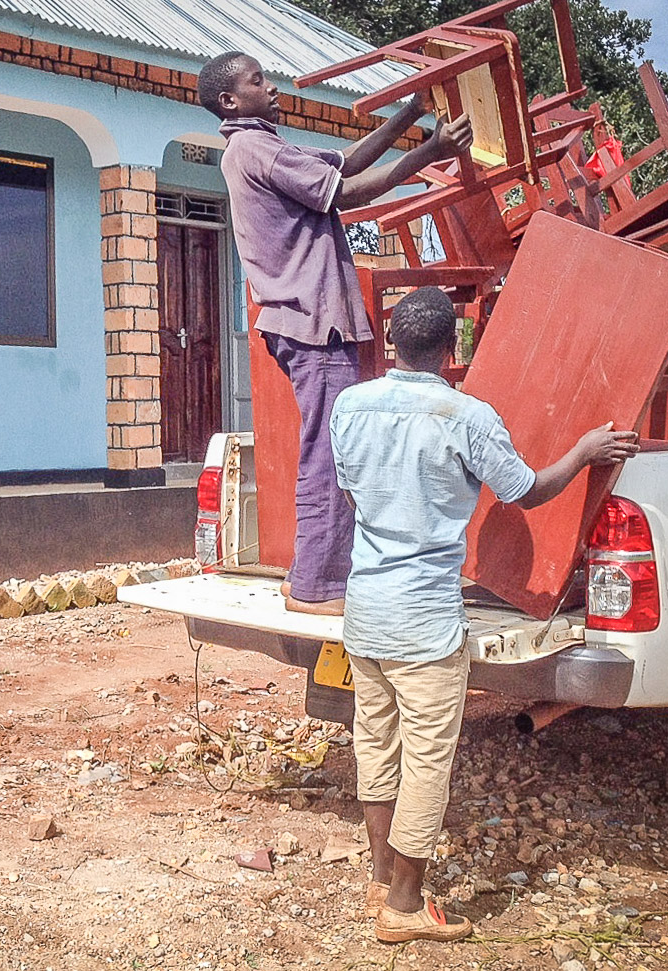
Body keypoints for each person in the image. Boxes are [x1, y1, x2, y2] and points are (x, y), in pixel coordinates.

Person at [329, 286, 640, 943]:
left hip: (366, 612)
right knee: (426, 763)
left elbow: (352, 493)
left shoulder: (349, 406)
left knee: (376, 746)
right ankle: (404, 907)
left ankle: (381, 880)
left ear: (391, 341)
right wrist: (584, 452)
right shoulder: (466, 416)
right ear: (453, 348)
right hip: (424, 621)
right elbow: (526, 490)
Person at [196, 51, 473, 616]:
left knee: (327, 452)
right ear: (230, 101)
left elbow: (345, 164)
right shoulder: (255, 149)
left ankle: (310, 575)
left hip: (305, 322)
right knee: (330, 457)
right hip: (313, 324)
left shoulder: (263, 146)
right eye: (258, 81)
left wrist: (410, 112)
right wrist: (431, 151)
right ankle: (318, 587)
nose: (272, 87)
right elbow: (348, 193)